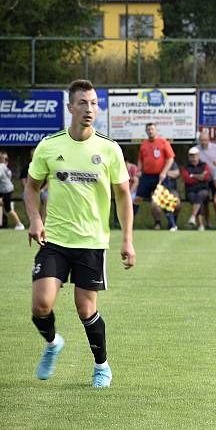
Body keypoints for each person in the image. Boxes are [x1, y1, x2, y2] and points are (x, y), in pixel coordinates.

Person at [24, 79, 135, 388]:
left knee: (86, 309)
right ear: (70, 107)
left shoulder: (109, 149)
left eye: (94, 103)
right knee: (41, 305)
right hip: (55, 240)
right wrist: (34, 219)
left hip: (91, 242)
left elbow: (124, 195)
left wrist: (127, 239)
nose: (90, 109)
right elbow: (31, 188)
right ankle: (51, 343)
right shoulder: (49, 146)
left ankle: (101, 366)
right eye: (83, 103)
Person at [135, 123, 176, 229]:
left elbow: (170, 158)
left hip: (160, 177)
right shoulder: (143, 144)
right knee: (138, 198)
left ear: (156, 130)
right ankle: (129, 223)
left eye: (152, 129)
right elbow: (140, 159)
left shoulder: (163, 142)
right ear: (146, 131)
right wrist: (139, 170)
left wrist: (164, 172)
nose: (150, 131)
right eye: (148, 129)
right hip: (147, 177)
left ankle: (172, 224)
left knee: (165, 200)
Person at [192, 130, 216, 228]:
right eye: (201, 140)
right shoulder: (196, 149)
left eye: (205, 140)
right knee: (204, 201)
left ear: (209, 140)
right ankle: (208, 223)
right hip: (203, 180)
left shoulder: (215, 147)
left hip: (215, 178)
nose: (203, 142)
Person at [182, 147, 212, 231]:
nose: (193, 158)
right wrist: (200, 176)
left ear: (198, 156)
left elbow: (206, 177)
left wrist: (193, 175)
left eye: (195, 156)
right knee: (197, 199)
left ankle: (193, 217)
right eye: (191, 156)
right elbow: (187, 179)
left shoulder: (204, 165)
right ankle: (200, 224)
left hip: (203, 190)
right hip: (190, 191)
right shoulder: (185, 167)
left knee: (200, 196)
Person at [21, 148, 48, 223]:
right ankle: (33, 220)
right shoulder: (27, 167)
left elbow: (49, 182)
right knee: (25, 196)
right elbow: (23, 180)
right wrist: (29, 189)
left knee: (46, 197)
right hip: (31, 189)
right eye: (33, 155)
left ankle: (43, 220)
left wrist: (42, 190)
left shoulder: (45, 165)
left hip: (43, 190)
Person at [0, 151, 25, 230]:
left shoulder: (1, 166)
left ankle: (19, 224)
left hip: (5, 190)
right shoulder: (6, 166)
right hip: (7, 189)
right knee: (1, 205)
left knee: (8, 208)